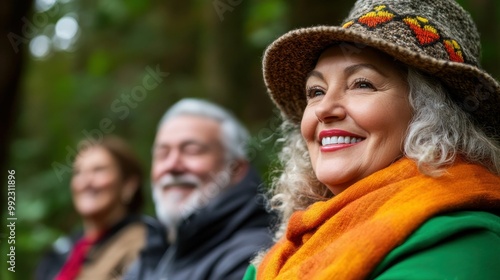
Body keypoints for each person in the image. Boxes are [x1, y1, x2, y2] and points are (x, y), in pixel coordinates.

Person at [245, 0, 500, 279]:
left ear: (434, 113)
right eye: (316, 91)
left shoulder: (462, 242)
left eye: (362, 84)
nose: (325, 109)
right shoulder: (294, 247)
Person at [124, 98, 274, 280]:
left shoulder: (255, 255)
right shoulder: (156, 252)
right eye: (162, 154)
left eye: (191, 150)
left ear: (236, 169)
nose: (172, 165)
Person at [36, 135, 164, 280]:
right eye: (78, 172)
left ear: (129, 185)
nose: (85, 181)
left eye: (99, 170)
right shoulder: (61, 251)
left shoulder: (145, 242)